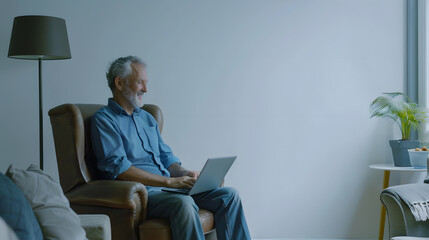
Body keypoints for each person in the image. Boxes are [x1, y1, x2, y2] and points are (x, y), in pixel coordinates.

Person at [90, 56, 251, 240]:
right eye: (140, 82)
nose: (146, 89)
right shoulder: (104, 120)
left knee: (229, 195)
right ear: (119, 83)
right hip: (144, 195)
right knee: (184, 203)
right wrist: (169, 182)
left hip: (170, 189)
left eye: (146, 83)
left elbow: (166, 158)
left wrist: (185, 174)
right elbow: (119, 168)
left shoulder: (146, 118)